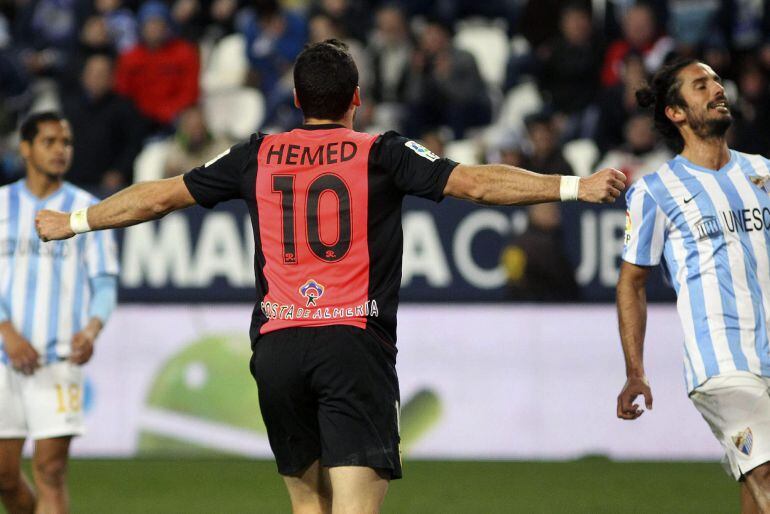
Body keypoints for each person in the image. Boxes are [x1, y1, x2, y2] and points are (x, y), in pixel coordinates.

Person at [36, 40, 625, 513]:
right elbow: (474, 183)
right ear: (358, 99)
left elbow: (159, 198)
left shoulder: (257, 153)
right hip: (350, 341)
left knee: (306, 504)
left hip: (277, 348)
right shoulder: (381, 151)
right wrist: (576, 186)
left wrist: (74, 220)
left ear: (296, 98)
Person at [617, 59, 770, 513]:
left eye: (718, 82)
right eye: (701, 86)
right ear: (676, 112)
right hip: (720, 364)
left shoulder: (762, 172)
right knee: (765, 471)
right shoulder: (655, 191)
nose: (718, 90)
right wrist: (635, 370)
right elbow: (632, 283)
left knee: (756, 473)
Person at [0, 111, 119, 513]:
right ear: (26, 148)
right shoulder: (1, 203)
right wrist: (7, 332)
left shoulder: (86, 209)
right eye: (50, 142)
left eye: (65, 142)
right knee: (4, 476)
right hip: (3, 357)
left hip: (59, 357)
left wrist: (92, 329)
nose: (60, 150)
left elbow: (104, 281)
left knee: (51, 471)